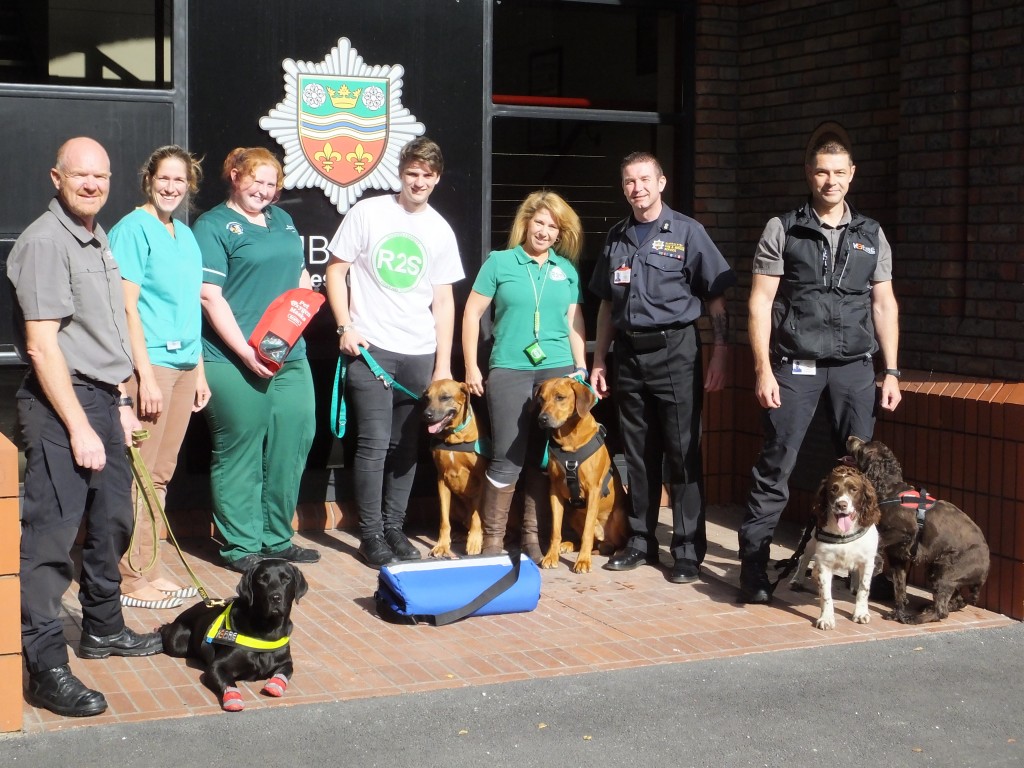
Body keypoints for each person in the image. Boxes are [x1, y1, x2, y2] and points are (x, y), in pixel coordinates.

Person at [8, 137, 164, 718]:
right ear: (57, 177)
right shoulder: (46, 243)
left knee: (112, 520)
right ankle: (45, 664)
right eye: (81, 176)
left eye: (101, 176)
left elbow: (107, 334)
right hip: (60, 405)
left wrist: (119, 403)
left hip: (102, 400)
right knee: (51, 540)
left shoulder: (96, 236)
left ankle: (102, 627)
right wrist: (78, 425)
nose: (93, 185)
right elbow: (42, 347)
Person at [736, 130, 901, 604]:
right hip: (796, 365)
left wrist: (891, 371)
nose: (831, 181)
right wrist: (763, 369)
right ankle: (753, 567)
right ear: (809, 174)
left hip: (854, 367)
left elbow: (884, 304)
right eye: (822, 171)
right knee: (776, 465)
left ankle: (874, 570)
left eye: (839, 172)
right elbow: (760, 302)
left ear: (852, 175)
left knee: (864, 472)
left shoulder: (871, 233)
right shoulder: (783, 227)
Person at [589, 151, 735, 584]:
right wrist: (600, 359)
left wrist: (722, 353)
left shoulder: (689, 233)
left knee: (682, 452)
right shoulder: (617, 237)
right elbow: (605, 303)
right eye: (630, 181)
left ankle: (688, 551)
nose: (638, 188)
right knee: (638, 454)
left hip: (676, 351)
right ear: (624, 188)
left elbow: (716, 300)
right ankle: (640, 541)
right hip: (629, 355)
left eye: (645, 179)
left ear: (662, 182)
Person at [326, 137, 464, 568]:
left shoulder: (440, 229)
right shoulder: (368, 212)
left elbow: (444, 301)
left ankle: (393, 527)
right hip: (371, 349)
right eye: (412, 173)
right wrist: (345, 326)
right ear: (400, 173)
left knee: (406, 447)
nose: (418, 181)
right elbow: (336, 269)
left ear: (437, 179)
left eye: (427, 175)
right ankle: (370, 535)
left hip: (419, 353)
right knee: (372, 445)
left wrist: (443, 363)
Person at [192, 147, 319, 574]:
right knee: (241, 446)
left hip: (288, 354)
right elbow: (210, 297)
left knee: (294, 438)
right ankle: (240, 545)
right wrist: (246, 353)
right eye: (255, 181)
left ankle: (276, 537)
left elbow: (299, 276)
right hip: (231, 356)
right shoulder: (212, 226)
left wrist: (305, 307)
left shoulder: (283, 221)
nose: (263, 191)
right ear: (234, 176)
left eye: (271, 184)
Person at [109, 145, 210, 609]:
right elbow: (126, 307)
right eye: (164, 178)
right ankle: (131, 578)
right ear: (149, 179)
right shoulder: (132, 230)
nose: (171, 187)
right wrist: (144, 377)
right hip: (152, 368)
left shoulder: (185, 234)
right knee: (141, 474)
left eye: (180, 180)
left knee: (162, 474)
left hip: (186, 366)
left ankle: (150, 566)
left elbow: (191, 305)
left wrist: (201, 370)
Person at [463, 190, 588, 560]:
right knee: (507, 455)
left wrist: (580, 366)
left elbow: (574, 320)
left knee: (541, 457)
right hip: (510, 368)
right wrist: (471, 365)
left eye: (553, 226)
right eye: (540, 222)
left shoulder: (565, 270)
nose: (545, 231)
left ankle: (532, 539)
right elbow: (471, 314)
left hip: (558, 370)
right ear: (526, 223)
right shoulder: (500, 262)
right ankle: (492, 543)